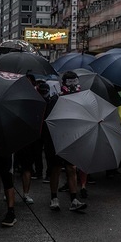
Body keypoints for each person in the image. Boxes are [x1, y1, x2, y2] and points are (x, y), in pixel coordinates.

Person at [43, 71, 87, 212]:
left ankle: (74, 199)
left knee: (71, 168)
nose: (73, 85)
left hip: (72, 138)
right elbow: (48, 121)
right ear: (64, 83)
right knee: (56, 169)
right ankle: (54, 198)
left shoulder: (80, 99)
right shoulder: (56, 99)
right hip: (57, 139)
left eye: (75, 82)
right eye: (70, 82)